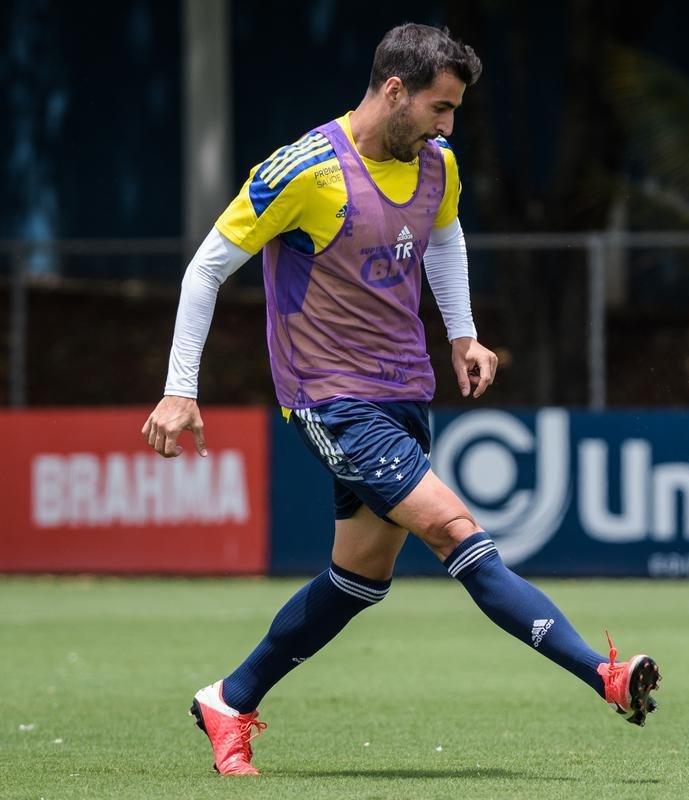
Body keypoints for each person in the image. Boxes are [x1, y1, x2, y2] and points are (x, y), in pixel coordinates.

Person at [142, 23, 659, 776]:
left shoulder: (437, 164)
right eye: (439, 108)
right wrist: (179, 390)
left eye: (454, 111)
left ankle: (230, 697)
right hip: (330, 398)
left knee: (360, 579)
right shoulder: (305, 169)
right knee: (454, 530)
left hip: (406, 391)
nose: (447, 127)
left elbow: (444, 239)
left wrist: (463, 334)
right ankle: (603, 674)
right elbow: (205, 269)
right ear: (394, 90)